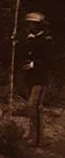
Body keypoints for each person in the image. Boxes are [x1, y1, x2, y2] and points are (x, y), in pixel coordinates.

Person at [21, 12, 53, 147]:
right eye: (29, 24)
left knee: (35, 106)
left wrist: (34, 64)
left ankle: (38, 139)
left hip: (40, 78)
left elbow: (49, 60)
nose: (30, 26)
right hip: (30, 77)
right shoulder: (30, 39)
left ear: (39, 25)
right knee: (32, 108)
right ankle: (32, 135)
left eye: (33, 24)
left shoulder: (47, 40)